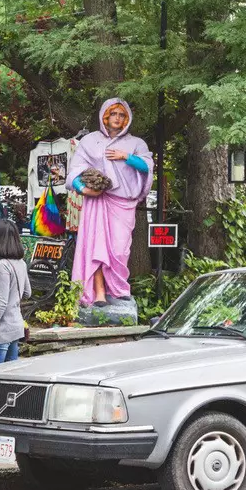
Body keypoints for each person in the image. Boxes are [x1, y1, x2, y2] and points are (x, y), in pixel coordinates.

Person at [69, 97, 153, 324]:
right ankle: (98, 293)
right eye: (113, 114)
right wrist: (85, 189)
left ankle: (118, 289)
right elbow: (74, 172)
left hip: (123, 203)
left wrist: (126, 156)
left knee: (119, 249)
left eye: (122, 115)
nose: (117, 119)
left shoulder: (136, 143)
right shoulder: (90, 141)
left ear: (127, 119)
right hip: (97, 201)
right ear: (105, 117)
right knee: (96, 247)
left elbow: (147, 167)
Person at [0, 217, 30, 365]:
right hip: (16, 327)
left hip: (2, 330)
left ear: (0, 236)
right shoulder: (21, 263)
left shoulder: (3, 265)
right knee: (8, 379)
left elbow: (2, 302)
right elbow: (27, 293)